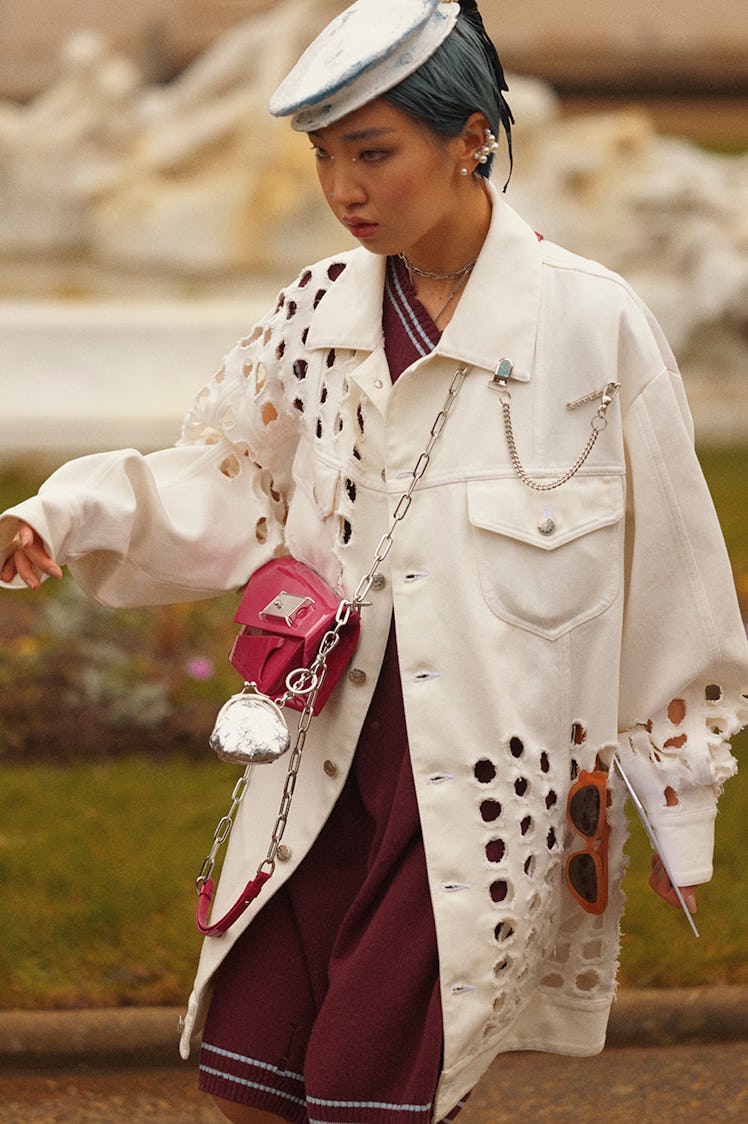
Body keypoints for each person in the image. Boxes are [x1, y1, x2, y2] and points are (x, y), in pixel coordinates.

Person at [1, 2, 747, 1121]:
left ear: (471, 138)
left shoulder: (596, 327)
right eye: (323, 155)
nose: (344, 188)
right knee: (243, 1079)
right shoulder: (315, 314)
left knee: (364, 1096)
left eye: (373, 151)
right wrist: (69, 513)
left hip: (478, 803)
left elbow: (675, 577)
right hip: (317, 768)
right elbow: (233, 480)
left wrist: (678, 806)